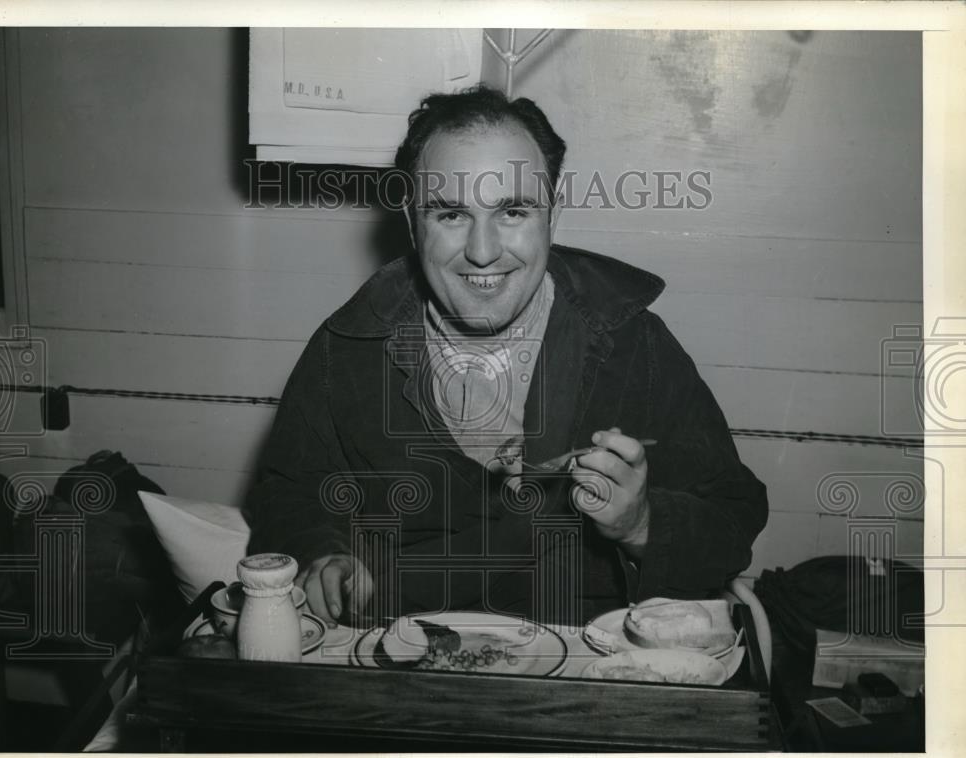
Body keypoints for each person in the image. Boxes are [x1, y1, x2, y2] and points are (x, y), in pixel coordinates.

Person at [245, 85, 768, 628]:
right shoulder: (346, 348)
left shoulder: (636, 345)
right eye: (450, 214)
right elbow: (289, 493)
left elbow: (732, 519)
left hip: (589, 665)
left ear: (553, 213)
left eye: (512, 210)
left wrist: (640, 524)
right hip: (402, 656)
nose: (483, 251)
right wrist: (320, 552)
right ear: (410, 220)